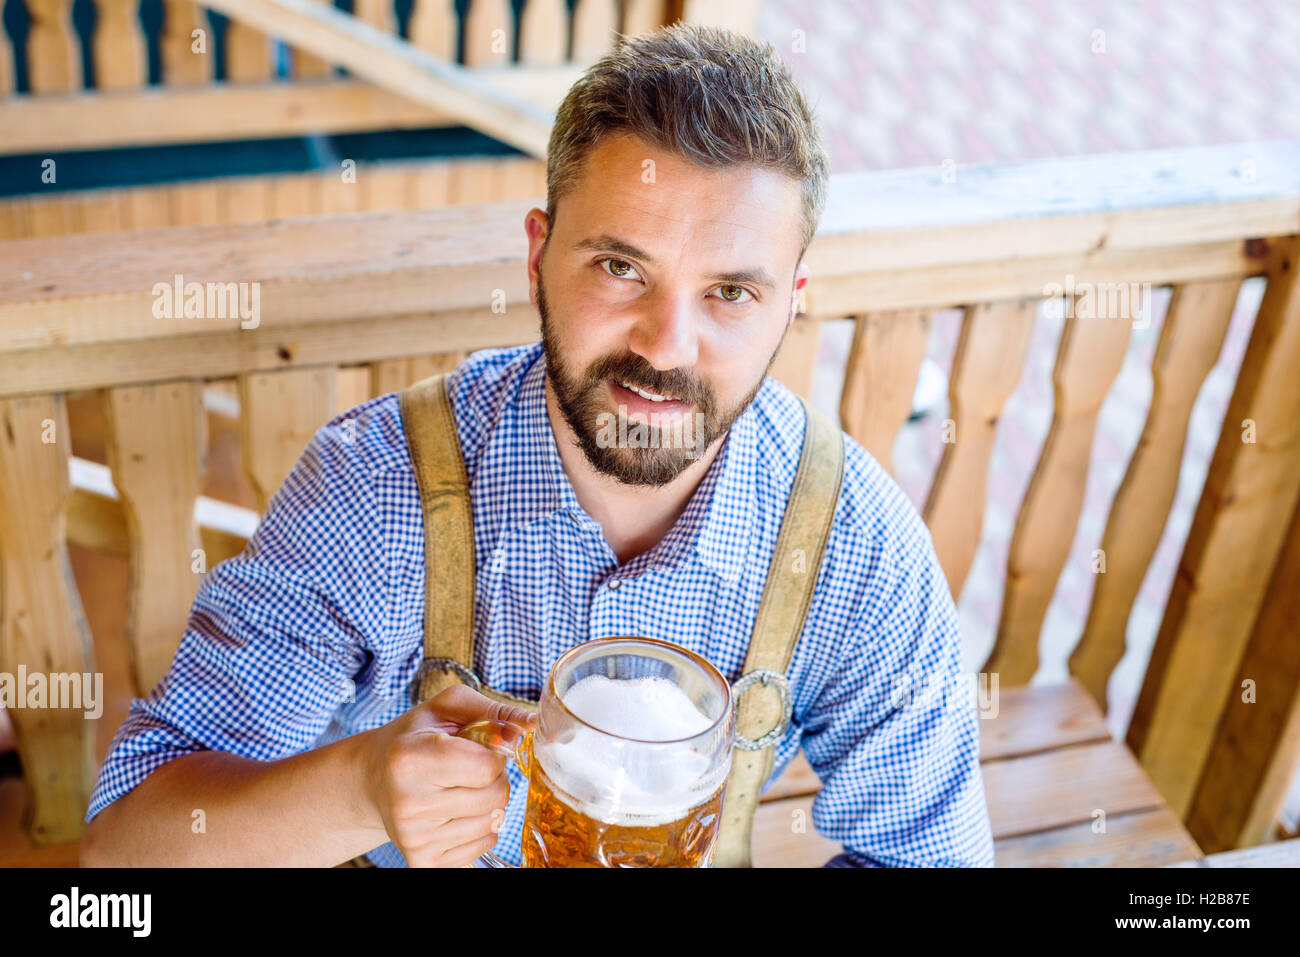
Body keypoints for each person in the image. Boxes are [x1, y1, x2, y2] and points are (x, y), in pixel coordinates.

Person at [80, 22, 995, 868]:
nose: (665, 346)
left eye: (731, 292)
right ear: (537, 257)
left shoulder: (853, 545)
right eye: (620, 266)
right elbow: (126, 847)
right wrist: (356, 787)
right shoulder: (376, 488)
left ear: (792, 302)